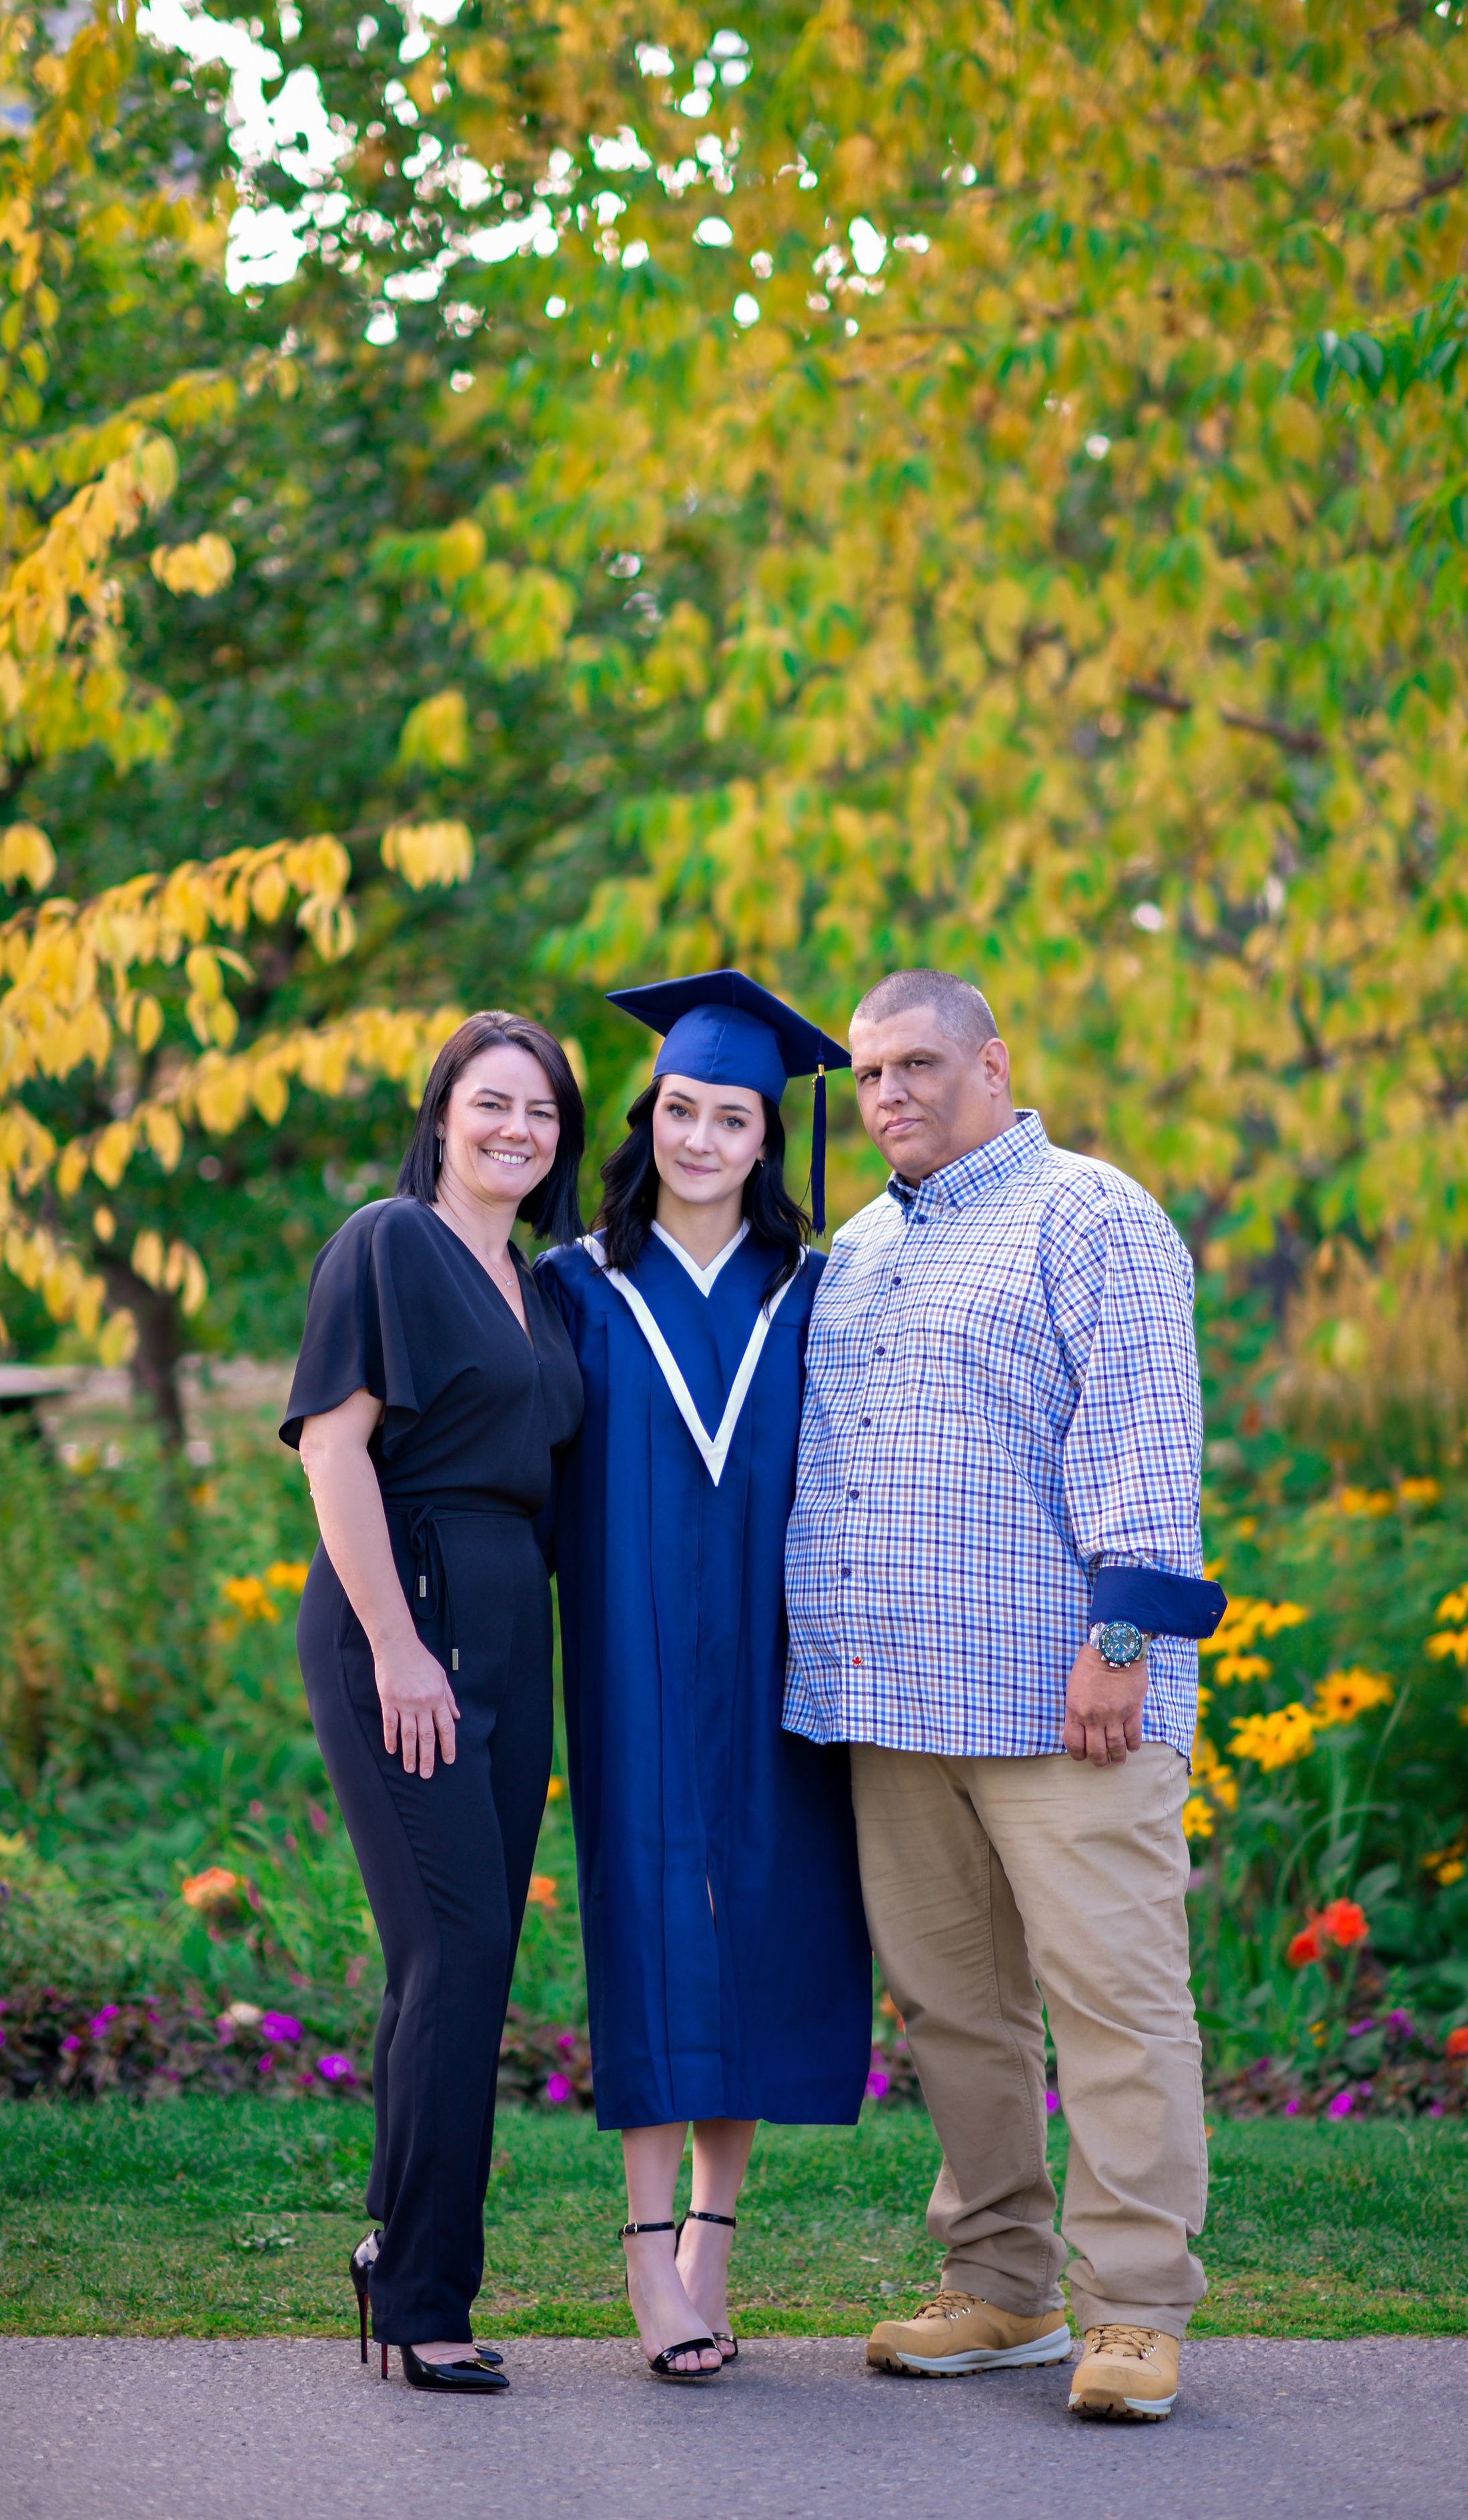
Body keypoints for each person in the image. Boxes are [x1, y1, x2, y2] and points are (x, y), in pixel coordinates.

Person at [784, 968, 1225, 2423]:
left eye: (917, 1063)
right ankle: (1003, 2288)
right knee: (953, 2011)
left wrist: (1122, 1640)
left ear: (992, 1062)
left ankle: (1137, 2310)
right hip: (892, 1703)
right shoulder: (851, 1249)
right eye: (868, 1075)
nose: (890, 1094)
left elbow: (1144, 1430)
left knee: (1111, 1998)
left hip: (1058, 1698)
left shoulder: (1087, 1213)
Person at [537, 970, 872, 2383]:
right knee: (651, 1919)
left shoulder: (822, 1287)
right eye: (678, 1110)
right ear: (647, 1119)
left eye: (729, 1118)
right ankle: (639, 2257)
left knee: (769, 1920)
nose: (698, 1139)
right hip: (626, 1649)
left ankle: (712, 2250)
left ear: (764, 1139)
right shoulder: (569, 1285)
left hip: (780, 1647)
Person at [282, 1011, 586, 2394]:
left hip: (510, 1633)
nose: (517, 1129)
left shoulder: (538, 1283)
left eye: (542, 1113)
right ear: (443, 1111)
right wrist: (400, 1648)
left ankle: (396, 2253)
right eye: (492, 1103)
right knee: (454, 1950)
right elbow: (336, 1451)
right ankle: (418, 2297)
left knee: (463, 1965)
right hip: (399, 1620)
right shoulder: (387, 1243)